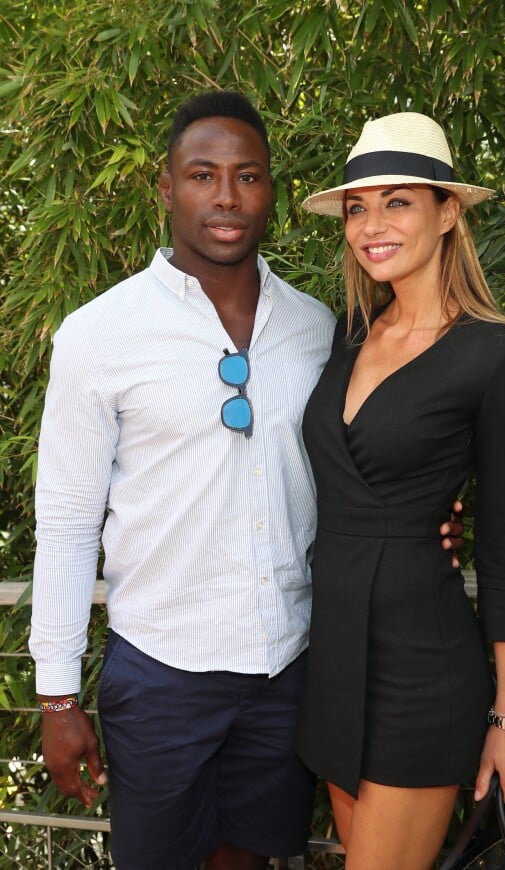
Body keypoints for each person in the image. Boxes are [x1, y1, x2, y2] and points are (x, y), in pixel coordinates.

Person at [29, 92, 465, 870]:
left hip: (289, 669)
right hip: (162, 672)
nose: (226, 197)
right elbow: (65, 525)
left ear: (271, 191)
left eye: (248, 176)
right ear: (165, 188)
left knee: (253, 862)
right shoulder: (99, 335)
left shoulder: (320, 327)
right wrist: (57, 696)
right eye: (203, 174)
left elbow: (358, 462)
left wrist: (426, 510)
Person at [295, 111, 505, 870]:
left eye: (398, 201)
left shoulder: (495, 354)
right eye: (359, 206)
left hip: (419, 666)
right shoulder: (349, 334)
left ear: (448, 211)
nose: (372, 224)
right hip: (331, 656)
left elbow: (501, 546)